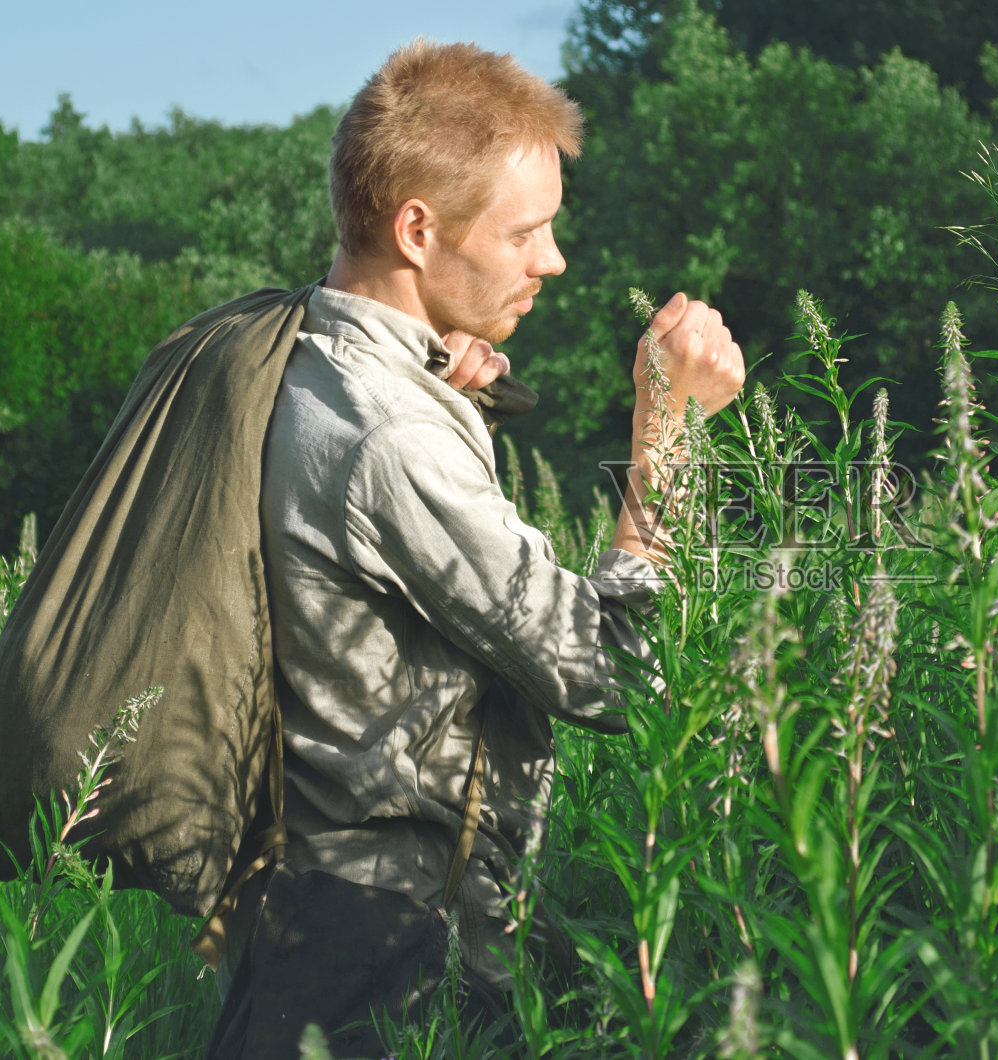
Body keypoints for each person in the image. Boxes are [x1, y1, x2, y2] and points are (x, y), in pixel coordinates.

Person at [207, 39, 745, 1054]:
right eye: (528, 230)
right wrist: (667, 428)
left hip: (303, 925)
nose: (554, 261)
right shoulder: (390, 435)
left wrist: (446, 387)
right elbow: (616, 673)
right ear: (417, 228)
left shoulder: (300, 356)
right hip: (385, 960)